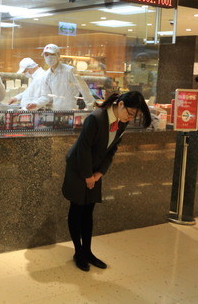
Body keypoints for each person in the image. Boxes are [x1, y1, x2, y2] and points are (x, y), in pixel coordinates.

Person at [62, 91, 151, 272]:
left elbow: (111, 150)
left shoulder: (121, 122)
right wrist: (88, 176)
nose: (130, 118)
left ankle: (87, 251)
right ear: (121, 104)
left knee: (89, 210)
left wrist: (99, 174)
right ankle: (78, 252)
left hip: (94, 171)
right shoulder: (96, 118)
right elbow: (83, 149)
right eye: (130, 114)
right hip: (79, 168)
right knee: (77, 209)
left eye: (134, 116)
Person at [42, 44, 95, 111]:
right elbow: (46, 95)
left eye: (52, 54)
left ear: (58, 56)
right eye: (46, 55)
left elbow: (83, 89)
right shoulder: (47, 74)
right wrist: (36, 104)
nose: (49, 57)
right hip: (55, 111)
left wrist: (90, 107)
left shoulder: (69, 70)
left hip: (71, 110)